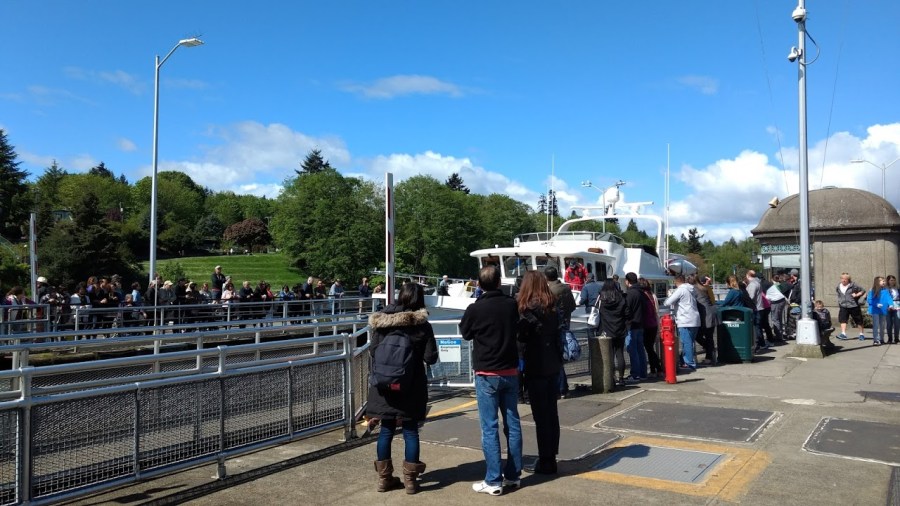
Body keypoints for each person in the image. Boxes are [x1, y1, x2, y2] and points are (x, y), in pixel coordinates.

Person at [366, 282, 437, 494]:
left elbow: (372, 351)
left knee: (386, 430)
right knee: (411, 431)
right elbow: (430, 358)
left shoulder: (382, 321)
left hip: (384, 387)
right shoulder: (421, 324)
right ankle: (411, 481)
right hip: (410, 386)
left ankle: (384, 479)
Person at [460, 265, 522, 496]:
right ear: (499, 282)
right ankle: (513, 475)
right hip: (510, 370)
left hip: (487, 373)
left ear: (479, 284)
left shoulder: (475, 308)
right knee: (512, 424)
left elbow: (465, 333)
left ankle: (494, 480)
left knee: (489, 427)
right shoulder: (511, 305)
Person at [515, 270, 562, 475]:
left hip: (536, 365)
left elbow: (521, 338)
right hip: (553, 363)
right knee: (551, 413)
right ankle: (551, 456)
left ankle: (545, 460)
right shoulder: (552, 306)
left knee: (540, 416)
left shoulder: (527, 309)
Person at [545, 266, 575, 397]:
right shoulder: (566, 288)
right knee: (561, 357)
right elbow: (573, 306)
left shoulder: (549, 290)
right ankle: (563, 388)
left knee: (556, 358)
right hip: (566, 324)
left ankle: (560, 388)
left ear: (546, 277)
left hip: (554, 327)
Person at [664, 274, 700, 370]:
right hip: (695, 318)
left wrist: (670, 296)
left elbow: (668, 302)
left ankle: (689, 363)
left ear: (676, 282)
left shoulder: (681, 290)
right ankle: (684, 360)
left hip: (685, 319)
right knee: (690, 342)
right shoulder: (691, 288)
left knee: (686, 342)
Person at [597, 279, 628, 386]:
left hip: (607, 329)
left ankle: (611, 378)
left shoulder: (602, 298)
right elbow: (627, 313)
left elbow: (599, 312)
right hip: (620, 328)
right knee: (620, 353)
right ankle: (621, 378)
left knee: (609, 355)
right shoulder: (621, 297)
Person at [623, 272, 647, 381]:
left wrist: (626, 319)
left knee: (632, 350)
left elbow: (626, 309)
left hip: (631, 324)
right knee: (640, 350)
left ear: (627, 281)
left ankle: (635, 374)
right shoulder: (641, 292)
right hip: (641, 323)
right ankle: (643, 373)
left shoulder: (630, 294)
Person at [638, 278, 662, 376]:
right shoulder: (653, 295)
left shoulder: (642, 296)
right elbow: (657, 311)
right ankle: (653, 369)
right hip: (654, 324)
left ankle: (658, 368)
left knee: (649, 349)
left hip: (646, 325)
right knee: (650, 348)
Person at [693, 275, 718, 364]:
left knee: (699, 335)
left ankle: (709, 355)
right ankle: (710, 353)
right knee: (709, 336)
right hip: (710, 313)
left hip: (706, 315)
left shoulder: (694, 290)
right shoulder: (704, 288)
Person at [835, 273, 866, 341]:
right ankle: (843, 334)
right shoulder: (838, 286)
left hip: (853, 305)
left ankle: (861, 334)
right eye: (842, 278)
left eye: (845, 279)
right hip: (843, 305)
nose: (843, 280)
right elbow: (838, 294)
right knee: (843, 320)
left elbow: (863, 290)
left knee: (858, 320)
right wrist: (839, 301)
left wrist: (857, 295)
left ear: (848, 280)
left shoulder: (853, 285)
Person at [867, 276, 892, 346]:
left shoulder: (886, 290)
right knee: (876, 325)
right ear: (877, 282)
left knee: (882, 325)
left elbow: (889, 298)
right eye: (882, 281)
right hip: (875, 310)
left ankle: (882, 339)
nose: (884, 282)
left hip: (883, 310)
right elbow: (869, 300)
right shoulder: (872, 290)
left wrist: (891, 304)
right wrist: (876, 304)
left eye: (884, 281)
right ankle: (876, 340)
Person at [766, 274, 787, 341]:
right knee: (779, 318)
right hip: (781, 300)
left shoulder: (770, 284)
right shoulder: (778, 285)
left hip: (776, 302)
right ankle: (780, 334)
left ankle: (778, 336)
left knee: (775, 319)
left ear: (772, 279)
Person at [886, 275, 900, 345]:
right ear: (888, 281)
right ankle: (890, 338)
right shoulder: (885, 289)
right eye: (891, 280)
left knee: (897, 323)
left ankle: (896, 338)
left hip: (897, 306)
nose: (893, 281)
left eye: (894, 280)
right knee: (889, 324)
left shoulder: (898, 288)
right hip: (888, 307)